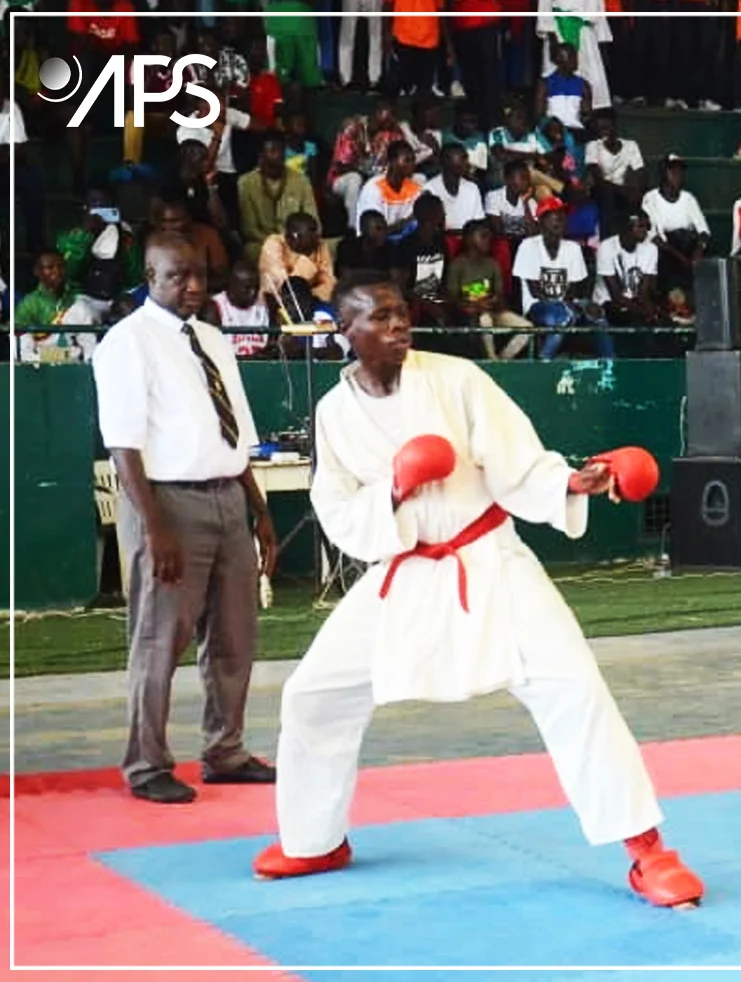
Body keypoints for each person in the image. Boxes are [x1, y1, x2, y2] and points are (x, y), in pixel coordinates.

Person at [249, 272, 705, 912]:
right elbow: (342, 516)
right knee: (312, 695)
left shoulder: (456, 379)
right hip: (403, 574)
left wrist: (573, 483)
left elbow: (516, 461)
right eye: (379, 317)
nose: (398, 324)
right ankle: (315, 838)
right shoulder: (332, 413)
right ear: (345, 332)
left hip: (489, 558)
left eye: (401, 311)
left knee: (574, 688)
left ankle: (647, 850)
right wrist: (396, 489)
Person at [91, 233, 279, 804]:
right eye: (177, 276)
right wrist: (155, 527)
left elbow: (238, 437)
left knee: (233, 637)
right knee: (159, 639)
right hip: (167, 500)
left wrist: (260, 511)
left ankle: (225, 751)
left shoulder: (215, 341)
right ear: (150, 276)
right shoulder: (127, 342)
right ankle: (146, 764)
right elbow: (123, 447)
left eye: (198, 274)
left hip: (227, 495)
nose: (192, 286)